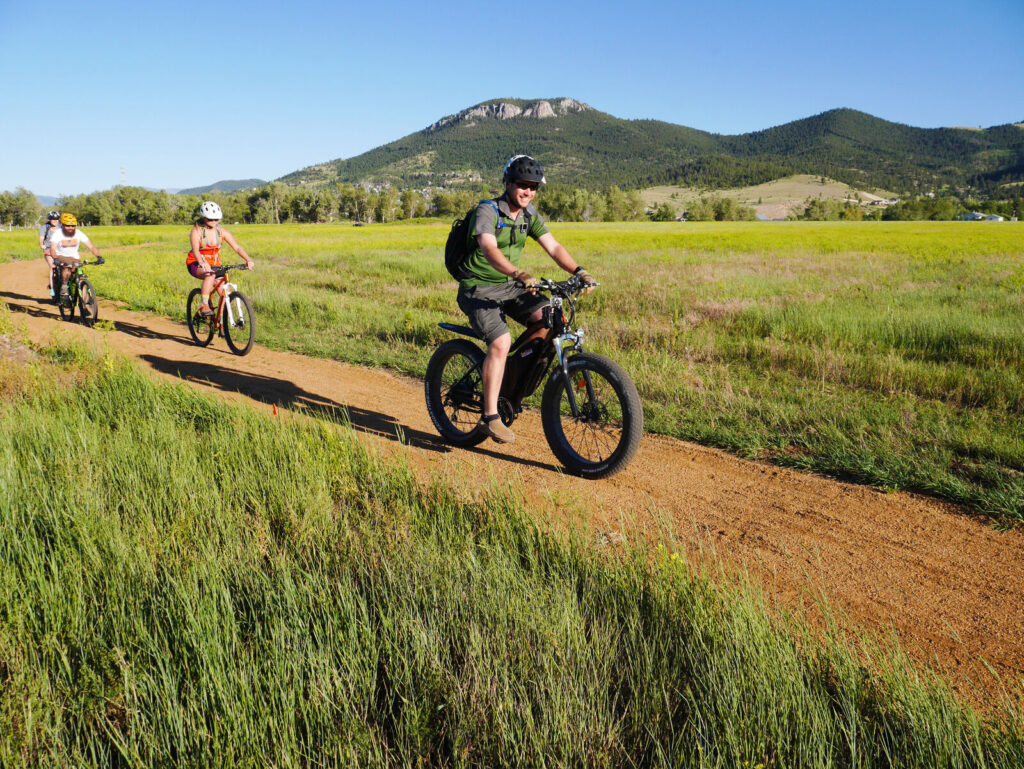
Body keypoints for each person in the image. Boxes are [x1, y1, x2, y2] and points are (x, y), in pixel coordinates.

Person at [456, 154, 596, 443]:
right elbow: (488, 249)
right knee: (501, 341)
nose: (528, 191)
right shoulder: (488, 211)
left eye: (534, 187)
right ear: (508, 183)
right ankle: (490, 417)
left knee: (551, 318)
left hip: (510, 287)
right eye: (523, 184)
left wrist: (579, 271)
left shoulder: (529, 215)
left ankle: (513, 381)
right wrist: (518, 272)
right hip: (477, 289)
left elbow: (553, 246)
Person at [186, 201, 254, 316]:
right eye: (210, 219)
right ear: (203, 217)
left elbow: (237, 247)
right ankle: (204, 305)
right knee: (210, 274)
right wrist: (202, 262)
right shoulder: (196, 231)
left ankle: (221, 320)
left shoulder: (221, 231)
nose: (213, 222)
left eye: (216, 219)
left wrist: (248, 260)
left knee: (225, 292)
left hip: (215, 264)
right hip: (195, 263)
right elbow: (196, 250)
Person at [49, 213, 101, 299]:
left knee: (81, 278)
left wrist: (98, 257)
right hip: (61, 255)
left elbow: (91, 246)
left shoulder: (79, 233)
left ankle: (83, 304)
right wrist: (55, 258)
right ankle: (64, 286)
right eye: (68, 226)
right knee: (67, 268)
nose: (71, 228)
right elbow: (52, 248)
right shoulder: (58, 234)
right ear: (62, 225)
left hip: (75, 257)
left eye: (73, 226)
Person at [39, 210, 60, 298]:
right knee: (53, 267)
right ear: (49, 220)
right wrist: (41, 245)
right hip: (48, 250)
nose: (55, 220)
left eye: (56, 219)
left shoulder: (61, 228)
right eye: (52, 219)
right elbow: (41, 238)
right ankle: (52, 288)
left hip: (60, 250)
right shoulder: (45, 228)